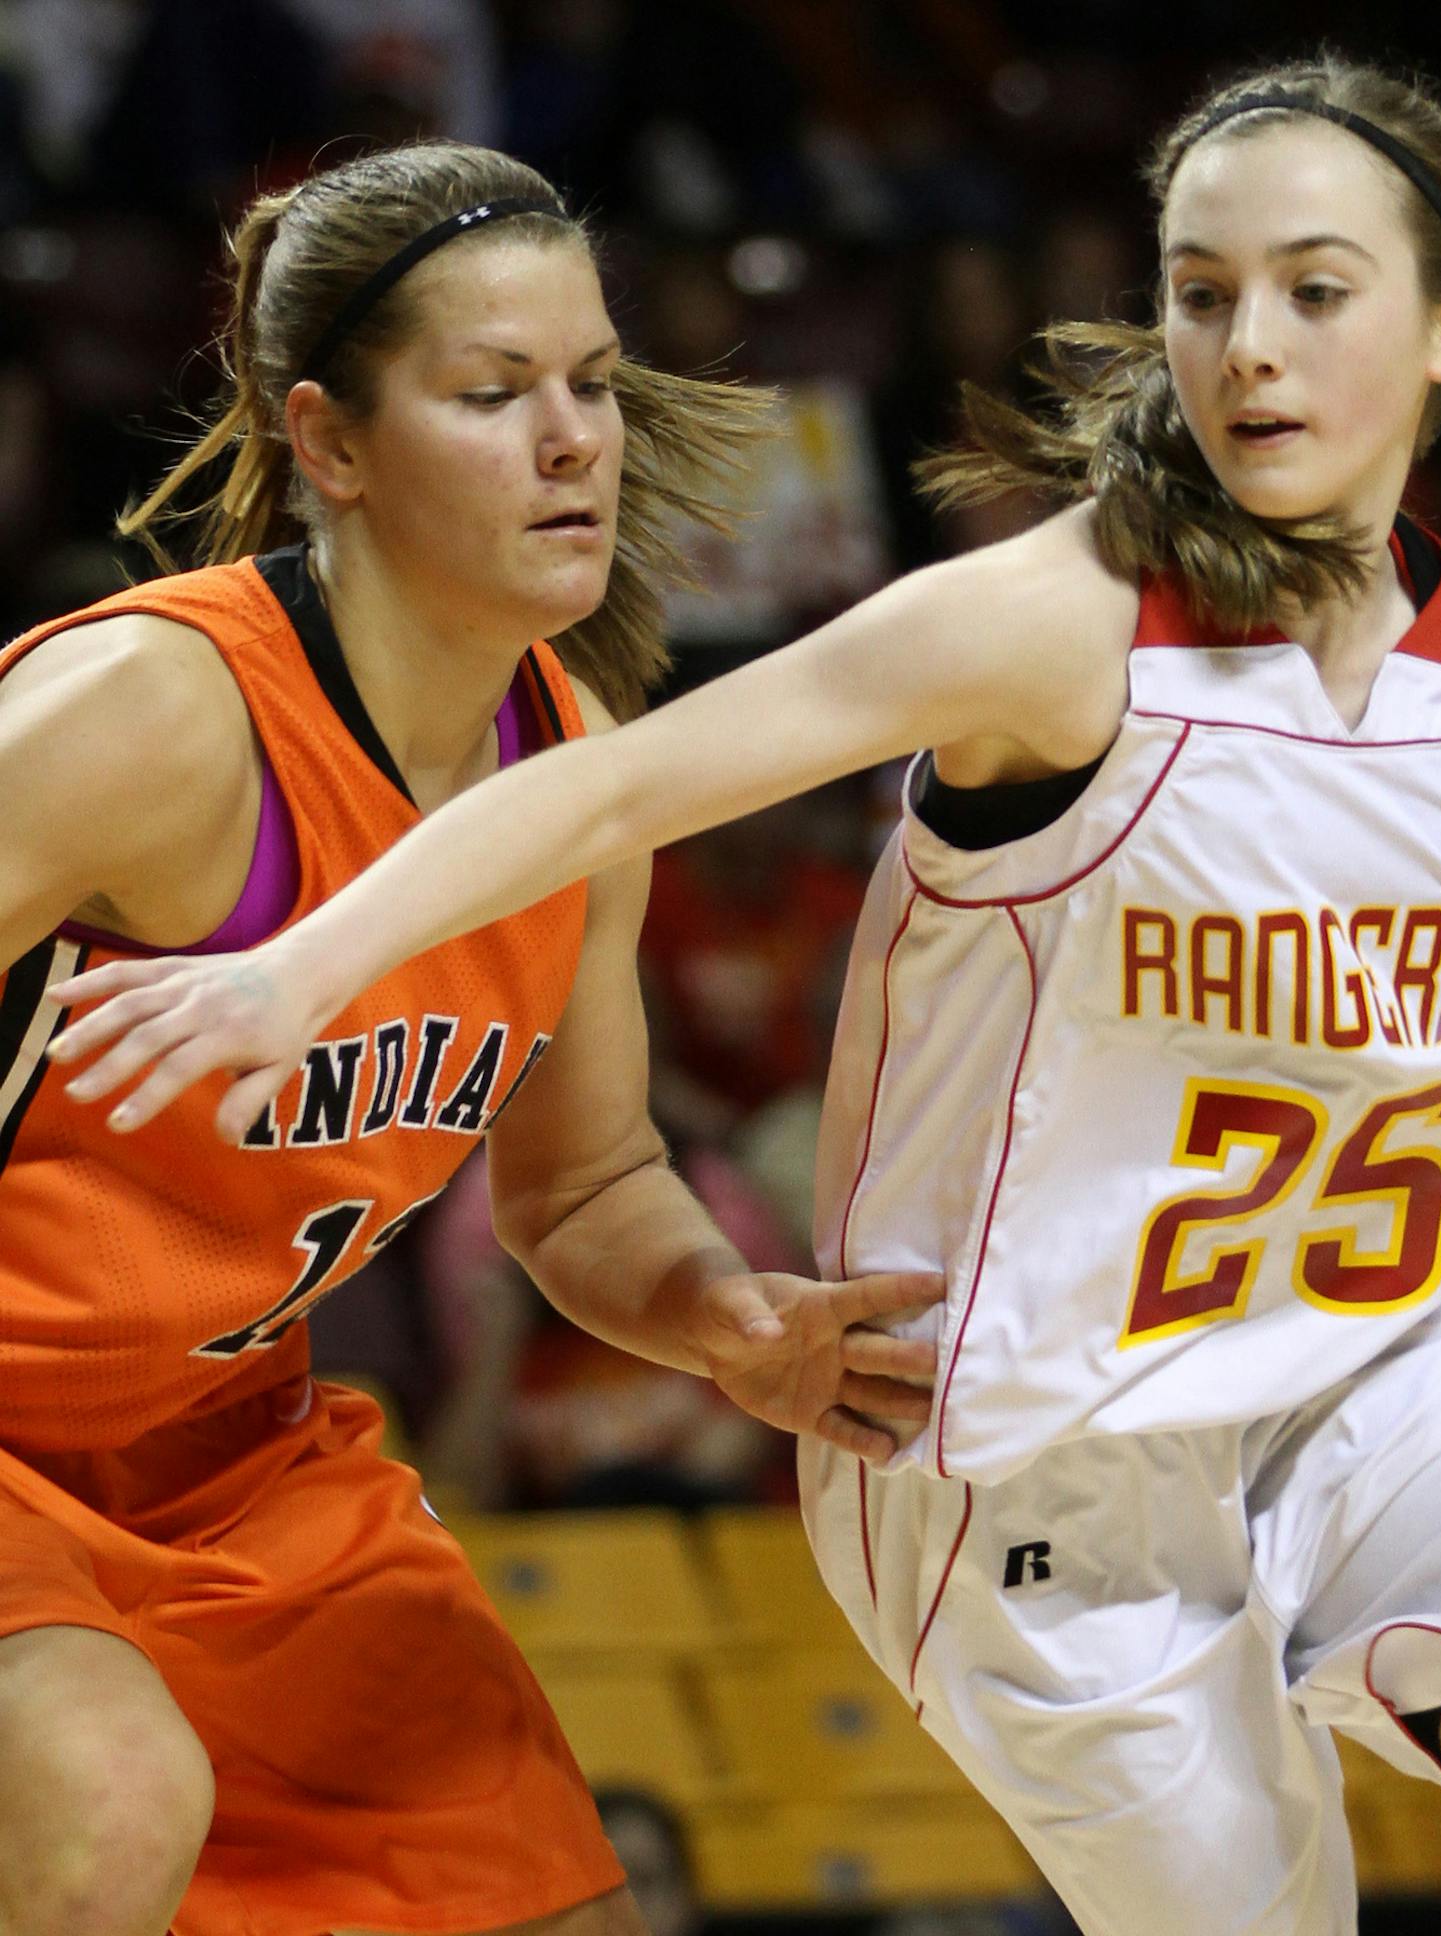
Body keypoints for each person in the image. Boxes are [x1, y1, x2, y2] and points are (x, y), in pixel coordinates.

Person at [48, 58, 1441, 1936]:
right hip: (1035, 1448)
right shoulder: (1048, 624)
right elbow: (618, 784)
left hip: (1373, 1375)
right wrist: (300, 956)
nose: (1252, 341)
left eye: (1317, 289)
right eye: (1207, 290)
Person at [0, 141, 938, 1936]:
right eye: (495, 395)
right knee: (108, 1809)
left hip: (230, 1453)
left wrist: (722, 1316)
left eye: (591, 383)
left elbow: (585, 1184)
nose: (576, 437)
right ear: (329, 444)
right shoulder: (153, 716)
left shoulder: (577, 764)